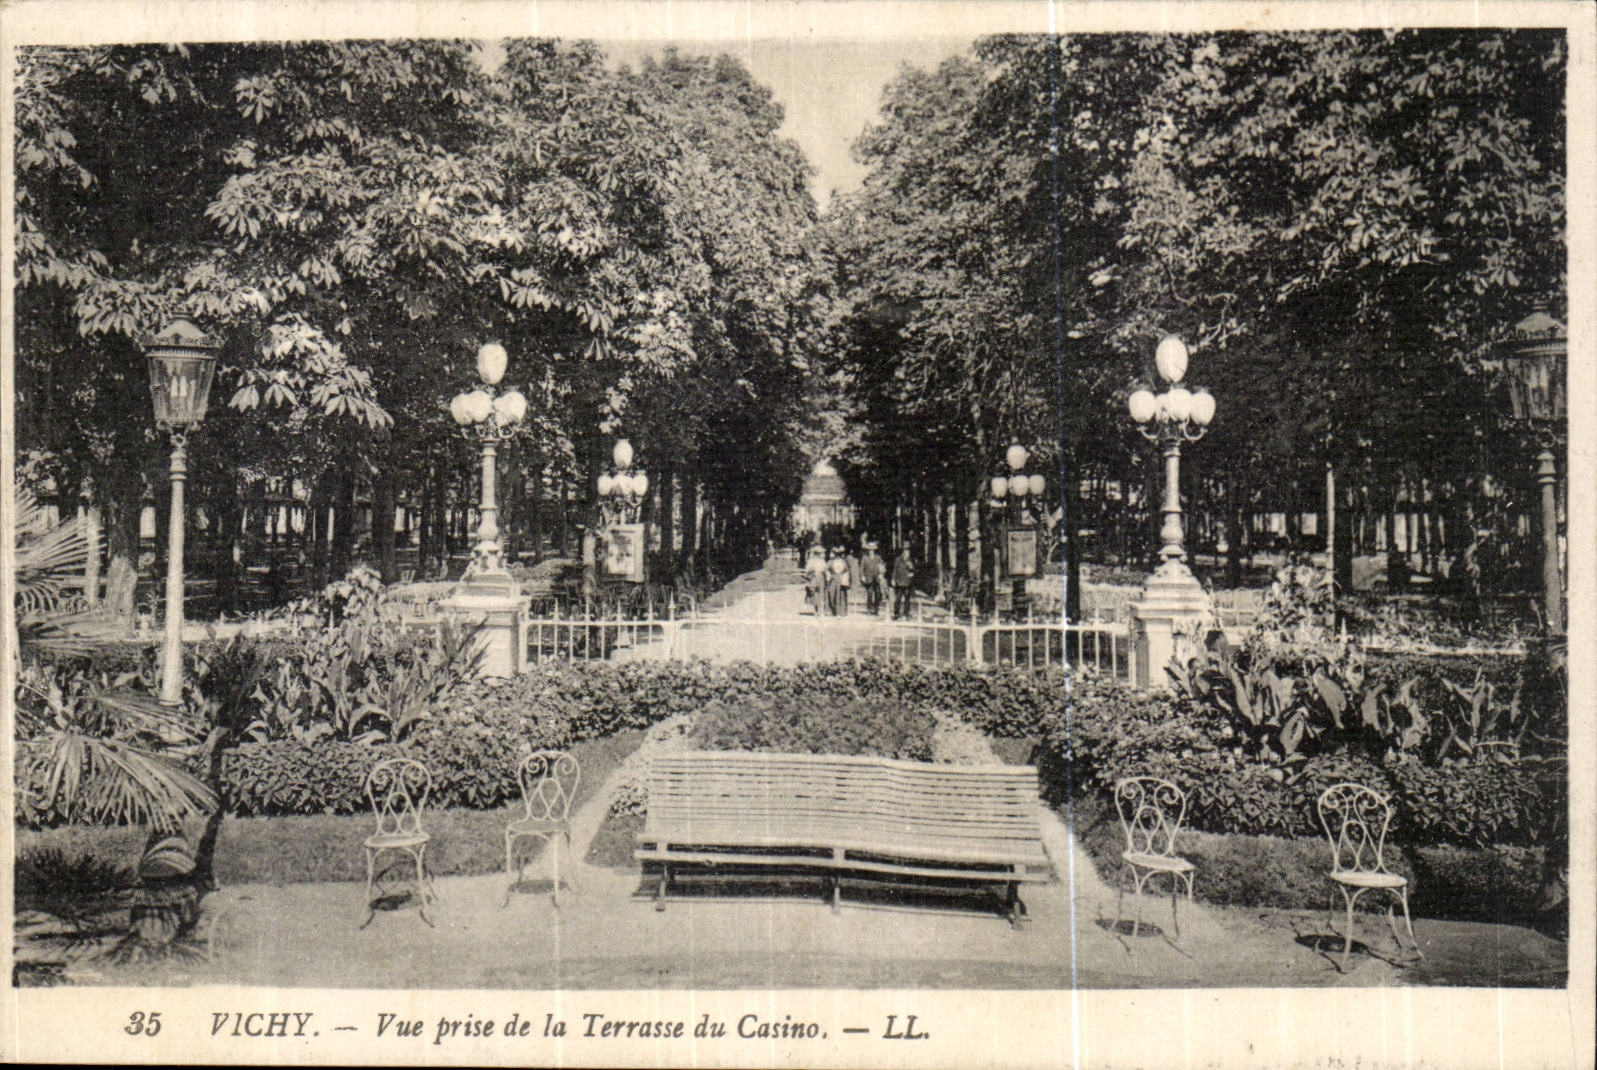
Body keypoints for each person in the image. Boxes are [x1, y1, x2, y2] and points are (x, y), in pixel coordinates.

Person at [859, 539, 885, 615]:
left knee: (877, 594)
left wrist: (881, 574)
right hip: (869, 579)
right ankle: (869, 609)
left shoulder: (878, 558)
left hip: (876, 579)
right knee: (869, 594)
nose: (871, 551)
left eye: (872, 550)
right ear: (868, 550)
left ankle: (876, 609)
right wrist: (862, 576)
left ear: (874, 550)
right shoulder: (865, 558)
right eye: (870, 550)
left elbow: (882, 567)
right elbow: (861, 568)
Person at [891, 544, 916, 620]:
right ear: (903, 552)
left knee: (907, 599)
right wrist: (893, 579)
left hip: (908, 582)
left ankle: (906, 613)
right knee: (898, 598)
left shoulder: (911, 560)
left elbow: (914, 570)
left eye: (908, 551)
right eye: (905, 551)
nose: (906, 552)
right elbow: (895, 570)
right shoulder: (898, 560)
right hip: (899, 582)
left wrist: (912, 572)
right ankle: (896, 613)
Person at [805, 546, 826, 615]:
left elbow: (807, 570)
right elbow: (824, 569)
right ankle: (819, 609)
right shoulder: (822, 561)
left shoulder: (811, 561)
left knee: (815, 593)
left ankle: (817, 610)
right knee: (819, 592)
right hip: (819, 577)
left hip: (815, 577)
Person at [830, 545, 850, 616]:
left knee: (841, 596)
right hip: (833, 580)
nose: (838, 556)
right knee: (833, 595)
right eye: (836, 554)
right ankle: (833, 611)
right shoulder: (831, 562)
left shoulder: (843, 562)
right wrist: (829, 576)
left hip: (842, 580)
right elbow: (827, 570)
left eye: (839, 554)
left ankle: (841, 612)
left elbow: (847, 570)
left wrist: (845, 578)